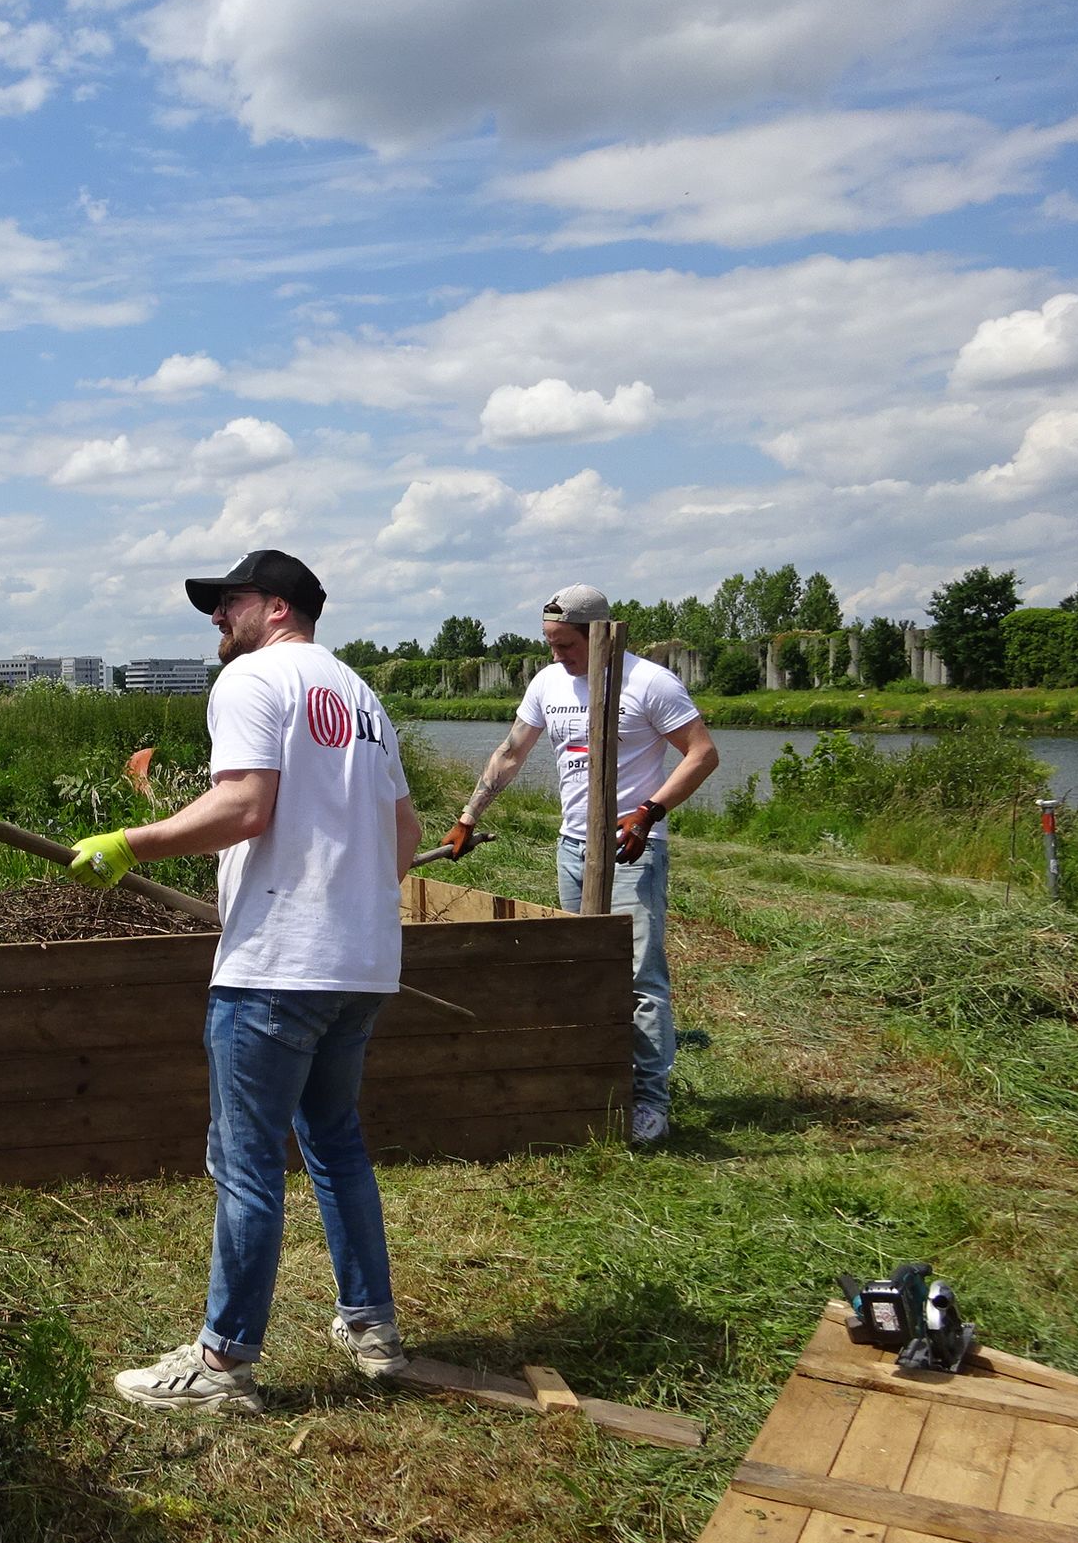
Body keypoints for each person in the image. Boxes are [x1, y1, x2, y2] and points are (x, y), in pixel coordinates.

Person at [64, 549, 422, 1416]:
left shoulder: (254, 680)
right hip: (361, 966)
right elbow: (403, 837)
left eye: (227, 602)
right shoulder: (363, 698)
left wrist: (129, 842)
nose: (216, 619)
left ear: (275, 606)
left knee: (247, 1163)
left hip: (276, 971)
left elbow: (245, 807)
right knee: (336, 1144)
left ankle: (223, 1367)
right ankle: (371, 1327)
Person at [437, 583, 719, 1147]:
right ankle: (597, 1084)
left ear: (598, 635)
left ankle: (650, 1102)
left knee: (640, 976)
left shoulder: (648, 683)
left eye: (566, 644)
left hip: (630, 848)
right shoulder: (548, 683)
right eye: (550, 644)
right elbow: (511, 753)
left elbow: (703, 753)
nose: (557, 656)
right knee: (586, 965)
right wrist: (469, 816)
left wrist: (650, 811)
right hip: (572, 848)